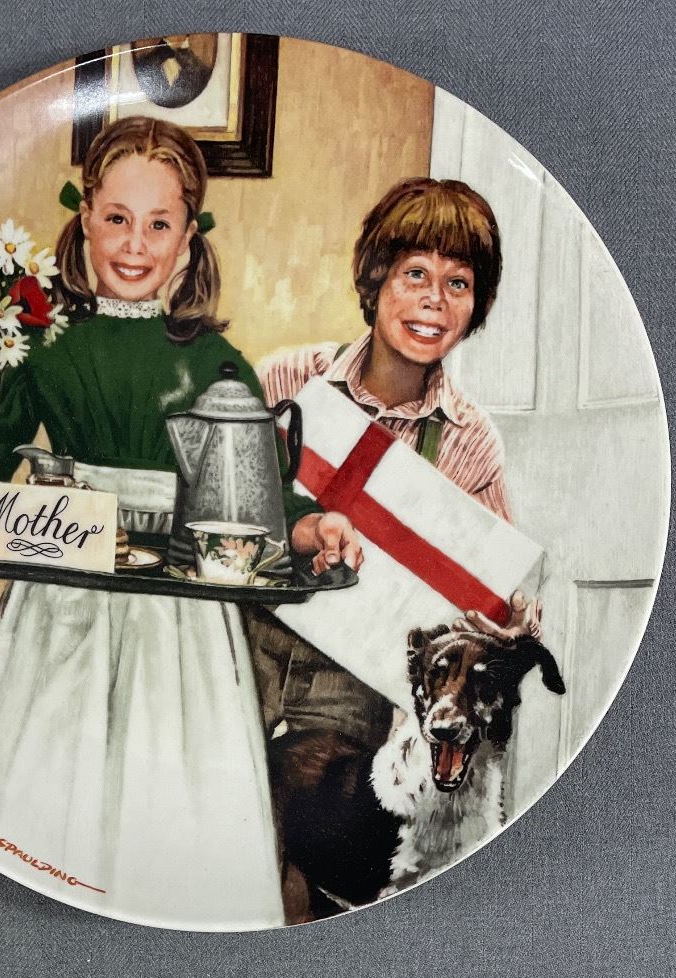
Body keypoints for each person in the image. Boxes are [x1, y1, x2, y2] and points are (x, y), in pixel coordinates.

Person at [0, 118, 355, 929]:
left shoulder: (215, 364)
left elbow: (266, 502)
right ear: (85, 217)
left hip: (180, 626)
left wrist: (314, 531)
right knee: (46, 795)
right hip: (60, 607)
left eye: (159, 225)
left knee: (169, 801)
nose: (135, 245)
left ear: (189, 237)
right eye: (118, 219)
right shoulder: (42, 348)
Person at [251, 176, 540, 921]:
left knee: (306, 832)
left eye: (458, 283)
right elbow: (230, 508)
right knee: (219, 801)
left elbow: (486, 590)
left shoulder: (471, 439)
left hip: (352, 671)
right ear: (376, 278)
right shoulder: (290, 377)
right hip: (251, 630)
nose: (434, 301)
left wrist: (513, 615)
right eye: (415, 274)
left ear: (476, 305)